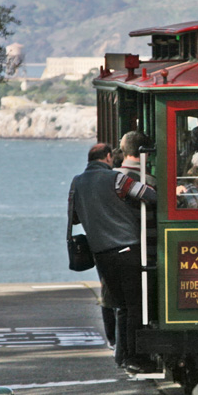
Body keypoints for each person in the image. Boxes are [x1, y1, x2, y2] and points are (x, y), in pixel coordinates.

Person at [69, 141, 157, 378]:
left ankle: (124, 355)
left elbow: (75, 218)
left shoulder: (77, 182)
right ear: (108, 157)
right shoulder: (116, 178)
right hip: (127, 249)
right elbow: (148, 195)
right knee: (136, 306)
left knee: (121, 306)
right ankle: (136, 358)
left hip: (101, 255)